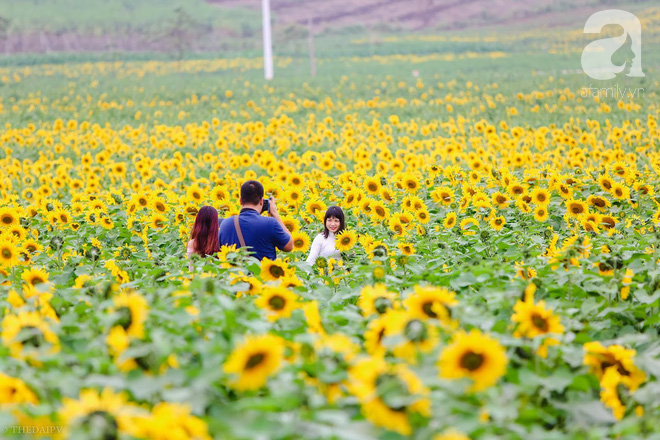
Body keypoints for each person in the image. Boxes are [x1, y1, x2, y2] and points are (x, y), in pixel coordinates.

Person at [218, 180, 292, 261]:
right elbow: (289, 246)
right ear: (261, 201)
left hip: (234, 273)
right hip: (261, 273)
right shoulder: (270, 224)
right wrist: (275, 214)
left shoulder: (225, 224)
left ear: (240, 200)